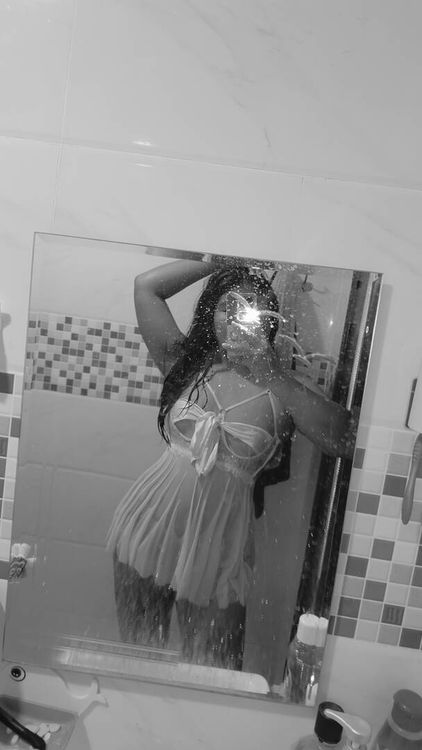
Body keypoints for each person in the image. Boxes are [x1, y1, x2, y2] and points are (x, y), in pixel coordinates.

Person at [106, 256, 356, 671]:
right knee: (138, 661)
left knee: (216, 676)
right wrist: (220, 258)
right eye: (230, 305)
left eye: (254, 308)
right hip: (150, 525)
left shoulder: (284, 387)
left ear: (270, 323)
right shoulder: (186, 362)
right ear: (212, 314)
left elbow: (345, 440)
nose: (240, 317)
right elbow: (146, 287)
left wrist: (270, 373)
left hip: (219, 550)